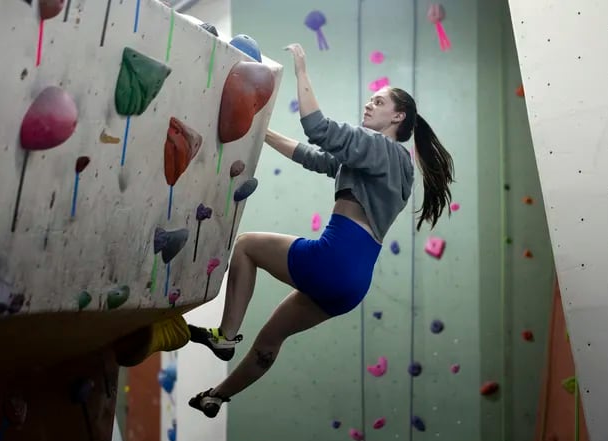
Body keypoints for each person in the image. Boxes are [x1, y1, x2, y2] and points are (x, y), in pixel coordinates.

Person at [187, 43, 455, 418]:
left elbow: (318, 129)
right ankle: (216, 395)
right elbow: (314, 157)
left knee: (246, 246)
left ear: (399, 116)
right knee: (269, 340)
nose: (369, 105)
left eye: (378, 102)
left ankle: (225, 337)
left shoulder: (381, 148)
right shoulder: (394, 165)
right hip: (352, 285)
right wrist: (260, 131)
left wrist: (300, 70)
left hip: (333, 259)